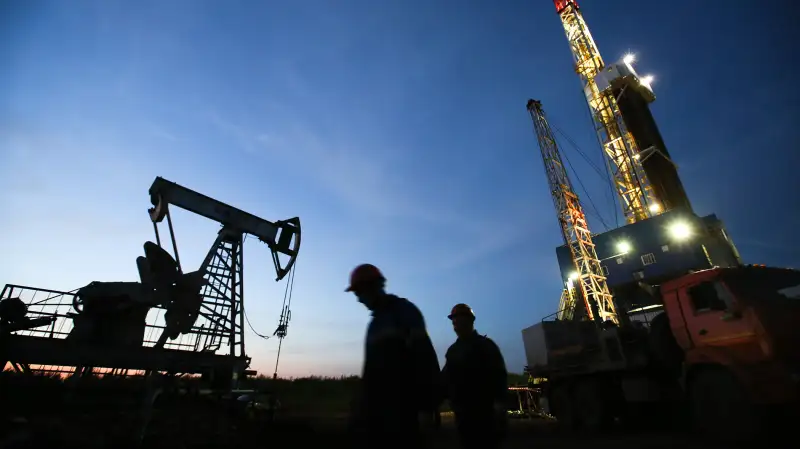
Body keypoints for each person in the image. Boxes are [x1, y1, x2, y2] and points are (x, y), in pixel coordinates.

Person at [345, 263, 442, 447]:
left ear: (371, 287)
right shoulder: (375, 324)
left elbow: (424, 359)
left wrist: (427, 407)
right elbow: (371, 372)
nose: (358, 299)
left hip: (405, 413)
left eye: (359, 293)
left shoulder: (404, 312)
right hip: (380, 415)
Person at [442, 303, 508, 449]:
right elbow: (445, 380)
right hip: (463, 416)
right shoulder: (453, 351)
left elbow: (499, 376)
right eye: (454, 322)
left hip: (485, 415)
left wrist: (499, 406)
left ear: (470, 321)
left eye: (459, 321)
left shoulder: (486, 346)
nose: (456, 325)